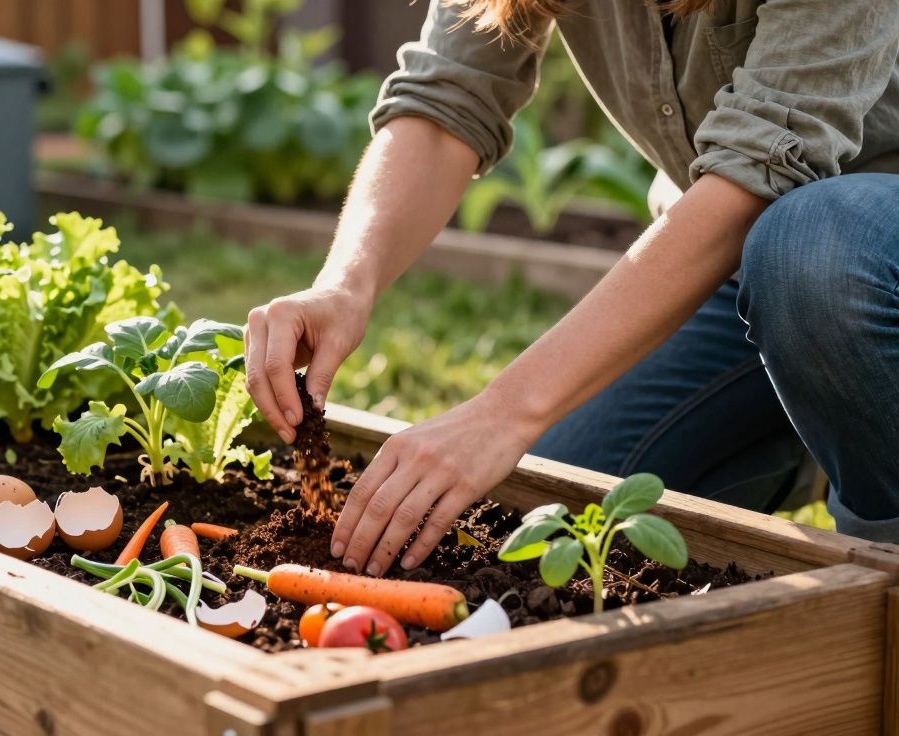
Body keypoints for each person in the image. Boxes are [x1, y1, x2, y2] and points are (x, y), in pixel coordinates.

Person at [244, 0, 899, 577]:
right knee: (549, 523)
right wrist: (344, 285)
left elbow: (762, 167)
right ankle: (830, 415)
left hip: (848, 259)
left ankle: (881, 566)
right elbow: (448, 98)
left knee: (814, 244)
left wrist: (504, 411)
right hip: (739, 274)